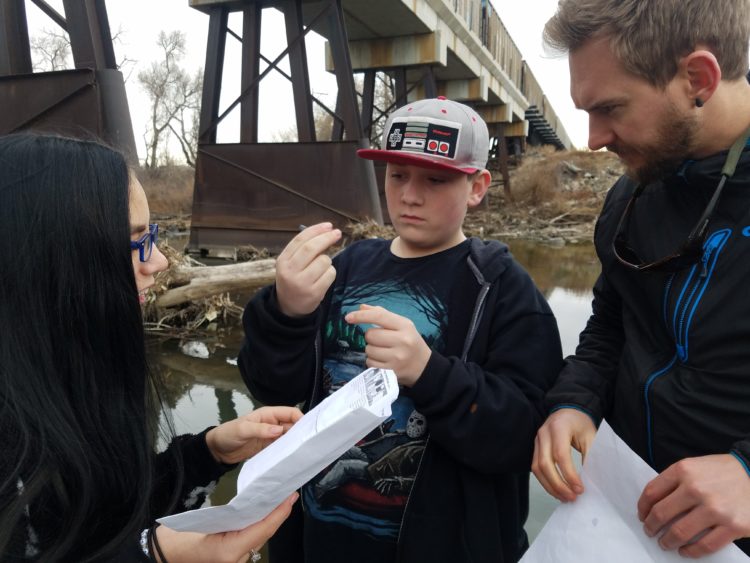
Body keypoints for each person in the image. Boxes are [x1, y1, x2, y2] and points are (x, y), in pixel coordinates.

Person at [239, 97, 563, 563]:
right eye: (397, 175)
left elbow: (519, 437)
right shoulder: (346, 267)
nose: (411, 195)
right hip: (317, 542)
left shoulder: (503, 289)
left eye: (435, 179)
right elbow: (273, 387)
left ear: (477, 187)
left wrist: (428, 372)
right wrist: (286, 313)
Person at [0, 132, 302, 562]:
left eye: (153, 234)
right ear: (50, 260)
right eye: (135, 240)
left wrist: (210, 452)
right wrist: (158, 556)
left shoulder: (68, 371)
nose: (159, 260)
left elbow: (102, 515)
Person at [530, 0, 750, 558]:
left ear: (697, 79)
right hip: (624, 526)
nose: (594, 137)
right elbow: (610, 323)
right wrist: (574, 401)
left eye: (610, 109)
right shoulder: (629, 197)